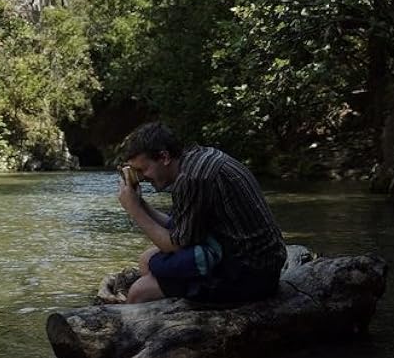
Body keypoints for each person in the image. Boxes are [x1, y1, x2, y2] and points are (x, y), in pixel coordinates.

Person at [117, 122, 287, 304]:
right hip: (255, 260)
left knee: (137, 292)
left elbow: (173, 244)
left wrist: (134, 210)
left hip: (251, 275)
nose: (142, 177)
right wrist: (140, 203)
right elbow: (177, 227)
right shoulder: (194, 162)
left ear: (164, 157)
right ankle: (173, 301)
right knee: (146, 259)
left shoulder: (193, 179)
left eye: (143, 169)